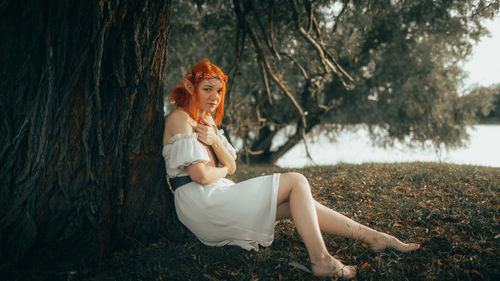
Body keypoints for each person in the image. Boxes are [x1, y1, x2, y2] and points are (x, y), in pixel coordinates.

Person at [162, 58, 419, 279]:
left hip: (217, 195)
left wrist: (216, 141)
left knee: (300, 202)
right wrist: (224, 171)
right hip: (202, 203)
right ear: (188, 86)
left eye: (218, 91)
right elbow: (202, 175)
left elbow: (233, 164)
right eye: (207, 89)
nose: (214, 98)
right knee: (296, 181)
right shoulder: (180, 119)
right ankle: (321, 260)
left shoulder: (205, 121)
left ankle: (373, 237)